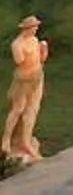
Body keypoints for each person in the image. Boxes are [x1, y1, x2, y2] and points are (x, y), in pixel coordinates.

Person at [4, 13, 46, 164]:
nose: (35, 30)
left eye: (36, 27)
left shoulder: (34, 40)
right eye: (33, 27)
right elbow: (20, 61)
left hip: (37, 76)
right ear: (26, 28)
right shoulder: (18, 44)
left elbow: (41, 60)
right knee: (18, 109)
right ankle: (6, 140)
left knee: (32, 109)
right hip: (24, 79)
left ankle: (25, 140)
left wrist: (43, 50)